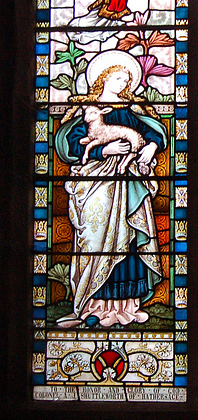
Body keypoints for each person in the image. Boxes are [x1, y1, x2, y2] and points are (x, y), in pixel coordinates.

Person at [55, 51, 166, 328]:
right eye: (118, 76)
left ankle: (126, 308)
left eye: (127, 78)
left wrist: (151, 146)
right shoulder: (88, 109)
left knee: (127, 241)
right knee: (96, 242)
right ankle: (92, 305)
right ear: (103, 77)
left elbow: (152, 132)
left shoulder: (132, 111)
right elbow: (69, 145)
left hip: (128, 187)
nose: (123, 82)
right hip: (97, 187)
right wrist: (105, 150)